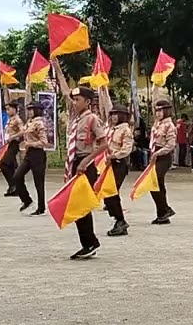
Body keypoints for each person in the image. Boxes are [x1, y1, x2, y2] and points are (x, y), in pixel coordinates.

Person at [56, 74, 107, 258]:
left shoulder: (92, 119)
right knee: (78, 205)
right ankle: (89, 243)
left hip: (86, 164)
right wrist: (57, 67)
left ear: (87, 101)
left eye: (78, 100)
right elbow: (64, 92)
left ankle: (90, 243)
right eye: (74, 99)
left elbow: (103, 144)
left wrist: (85, 162)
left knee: (80, 206)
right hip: (74, 163)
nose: (75, 102)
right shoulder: (74, 118)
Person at [104, 103, 134, 237]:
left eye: (117, 114)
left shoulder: (125, 130)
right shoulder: (111, 129)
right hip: (108, 164)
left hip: (119, 163)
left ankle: (120, 220)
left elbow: (126, 149)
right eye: (113, 114)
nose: (114, 117)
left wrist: (114, 156)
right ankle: (118, 220)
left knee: (111, 192)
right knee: (107, 193)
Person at [13, 103, 49, 215]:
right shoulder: (29, 122)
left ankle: (41, 207)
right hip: (29, 154)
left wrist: (31, 144)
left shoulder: (39, 123)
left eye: (31, 110)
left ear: (37, 111)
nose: (28, 112)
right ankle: (26, 200)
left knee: (39, 182)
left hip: (37, 154)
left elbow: (44, 142)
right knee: (17, 176)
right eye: (28, 110)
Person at [149, 98, 178, 225]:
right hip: (155, 154)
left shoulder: (169, 126)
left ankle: (164, 209)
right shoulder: (157, 124)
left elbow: (171, 145)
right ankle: (162, 213)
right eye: (157, 111)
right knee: (157, 184)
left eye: (161, 111)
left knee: (155, 182)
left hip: (164, 156)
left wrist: (158, 153)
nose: (158, 113)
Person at [0, 100, 24, 196]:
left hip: (14, 143)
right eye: (6, 110)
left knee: (3, 164)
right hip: (8, 144)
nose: (7, 112)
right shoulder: (10, 119)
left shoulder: (17, 119)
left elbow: (22, 131)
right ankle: (14, 188)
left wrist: (12, 137)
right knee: (12, 166)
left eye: (9, 109)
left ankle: (13, 184)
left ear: (14, 109)